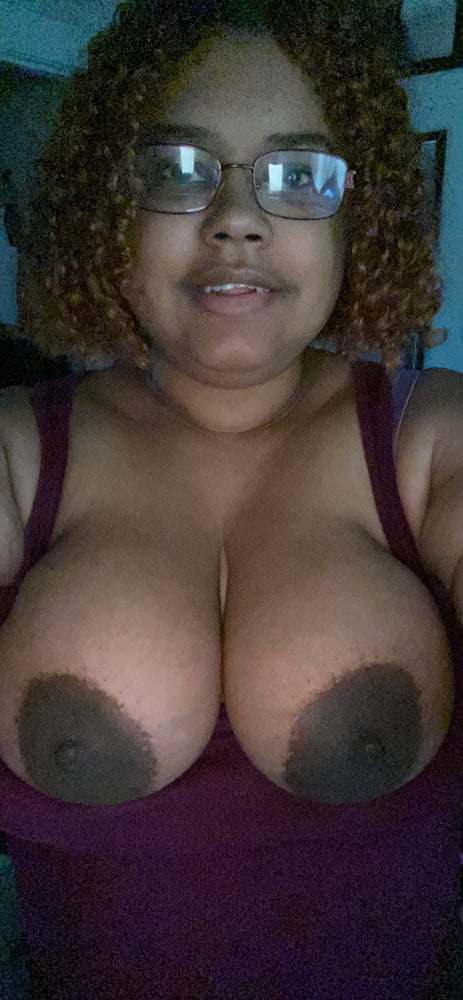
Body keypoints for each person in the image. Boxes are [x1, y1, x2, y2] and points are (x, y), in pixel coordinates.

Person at [0, 0, 462, 996]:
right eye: (178, 170)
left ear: (357, 215)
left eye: (298, 175)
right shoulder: (14, 453)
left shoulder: (433, 441)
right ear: (109, 210)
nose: (237, 219)